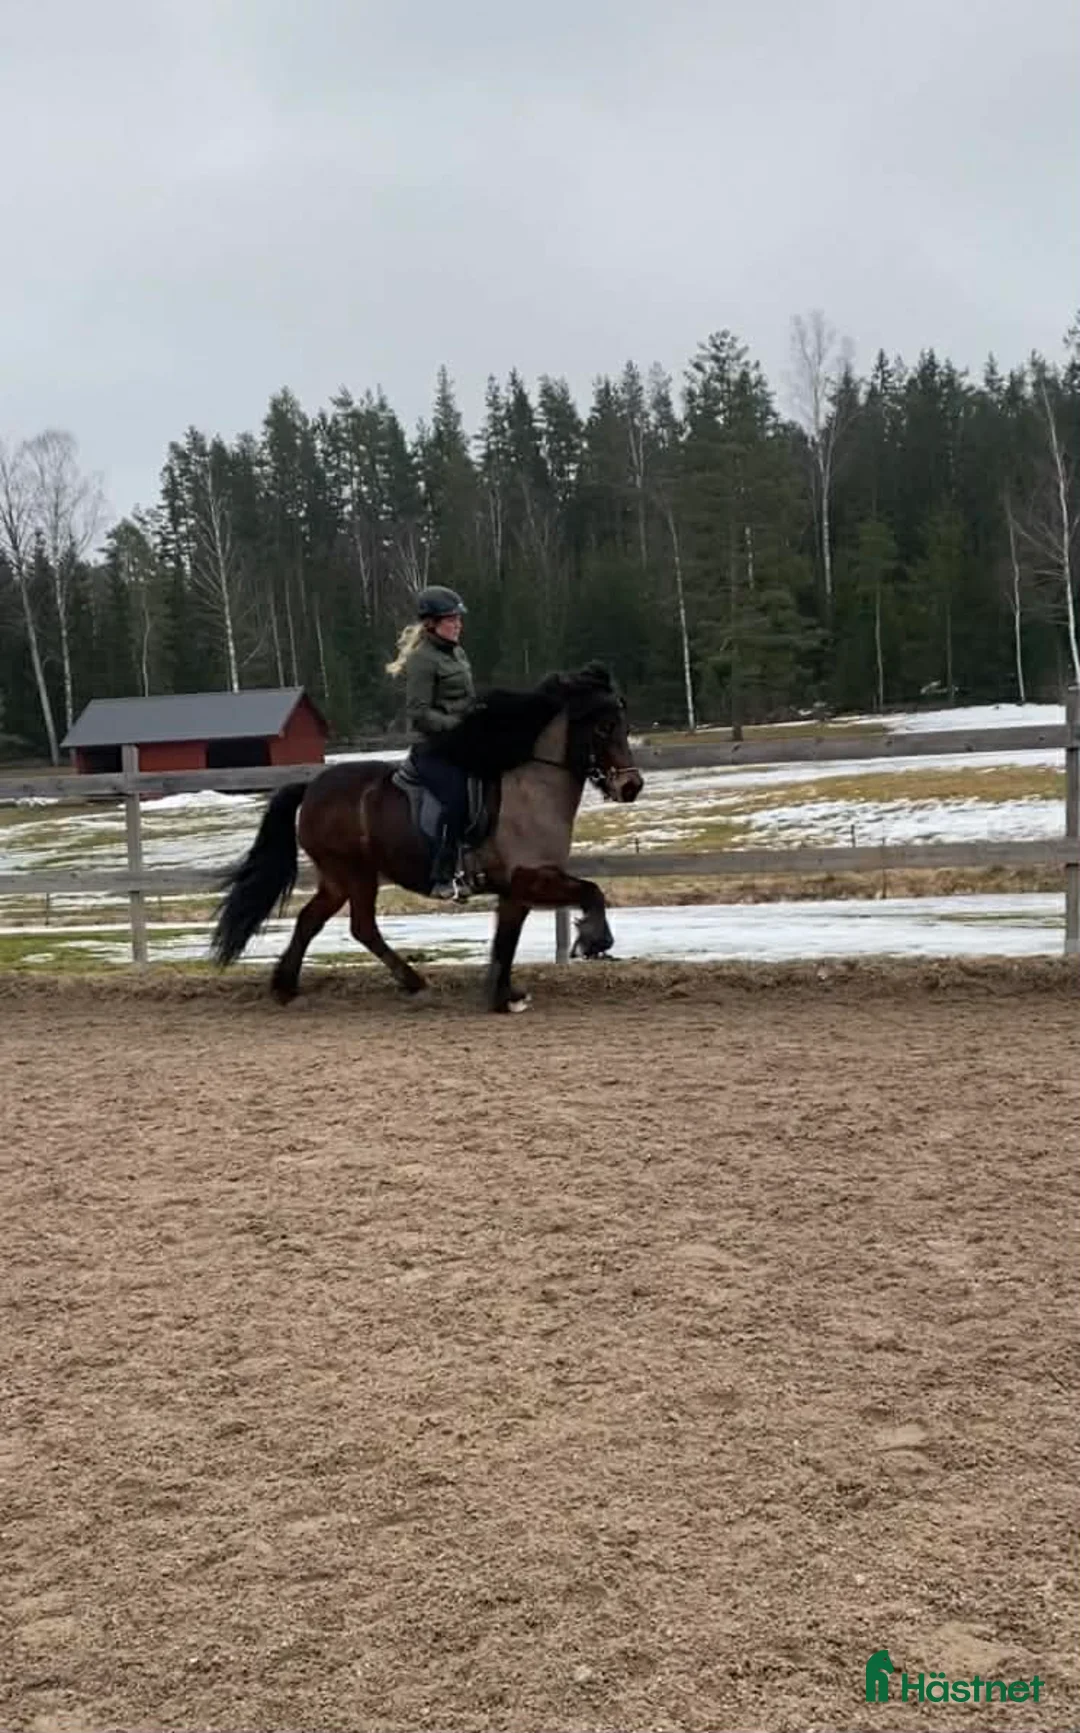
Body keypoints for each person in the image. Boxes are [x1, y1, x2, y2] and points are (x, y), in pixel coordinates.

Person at [386, 585, 475, 898]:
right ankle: (443, 874)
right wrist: (455, 725)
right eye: (451, 619)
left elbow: (464, 697)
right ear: (432, 624)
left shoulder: (457, 652)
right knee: (457, 799)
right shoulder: (422, 659)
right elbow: (418, 712)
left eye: (458, 619)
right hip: (433, 749)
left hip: (461, 743)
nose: (458, 624)